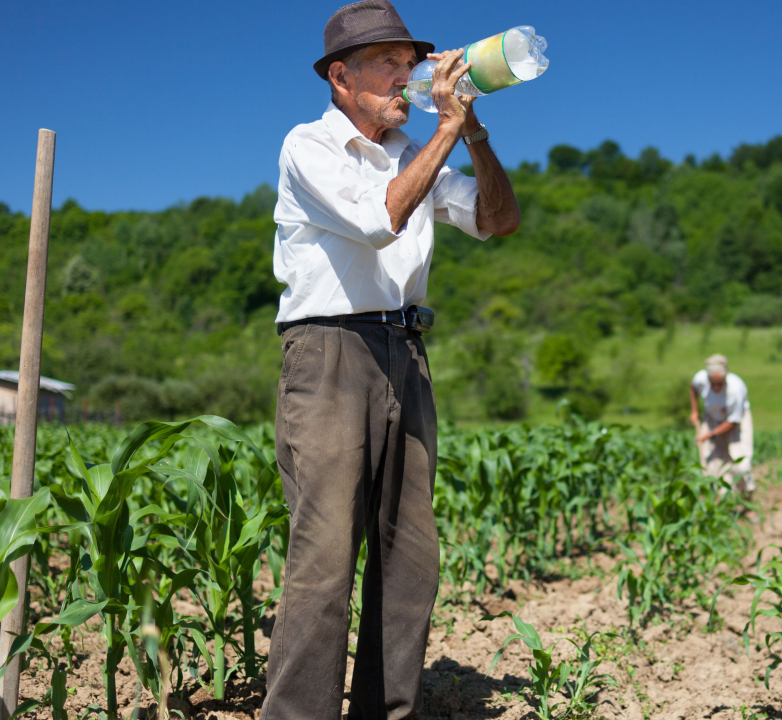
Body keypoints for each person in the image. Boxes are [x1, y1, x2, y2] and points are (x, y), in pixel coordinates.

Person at [264, 1, 520, 718]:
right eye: (389, 65)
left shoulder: (420, 154)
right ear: (341, 77)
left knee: (409, 556)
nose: (406, 78)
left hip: (406, 350)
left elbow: (498, 219)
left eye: (411, 65)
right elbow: (380, 220)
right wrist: (442, 130)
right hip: (330, 353)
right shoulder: (309, 147)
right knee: (323, 559)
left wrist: (473, 136)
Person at [688, 354, 754, 497]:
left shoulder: (735, 389)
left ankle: (747, 500)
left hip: (736, 422)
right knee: (713, 462)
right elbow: (692, 387)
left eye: (720, 383)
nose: (716, 387)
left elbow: (733, 421)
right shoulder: (701, 379)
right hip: (712, 419)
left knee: (741, 462)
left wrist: (709, 435)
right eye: (713, 383)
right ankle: (723, 500)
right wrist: (694, 411)